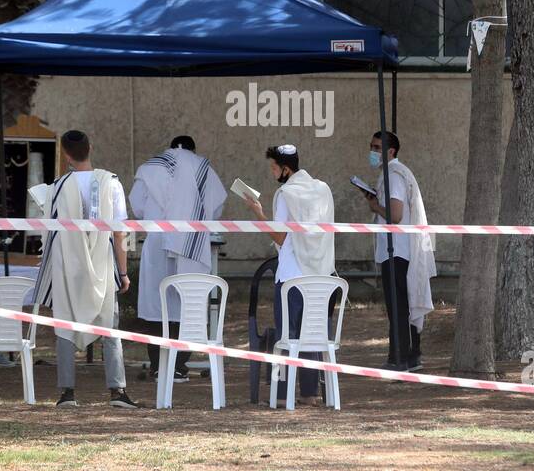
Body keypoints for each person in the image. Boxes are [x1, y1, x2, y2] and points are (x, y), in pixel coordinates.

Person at [29, 130, 139, 409]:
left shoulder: (57, 187)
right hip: (103, 263)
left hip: (68, 266)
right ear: (90, 147)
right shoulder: (111, 182)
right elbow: (121, 232)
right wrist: (123, 271)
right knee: (109, 327)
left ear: (65, 154)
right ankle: (117, 391)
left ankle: (67, 392)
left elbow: (49, 235)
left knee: (65, 325)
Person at [243, 144, 335, 407]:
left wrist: (258, 213)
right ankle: (309, 393)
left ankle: (282, 395)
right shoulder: (322, 189)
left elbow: (281, 238)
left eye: (274, 168)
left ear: (285, 168)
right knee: (311, 336)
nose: (272, 173)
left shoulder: (286, 194)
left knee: (286, 336)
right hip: (320, 275)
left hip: (292, 275)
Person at [129, 135, 226, 381]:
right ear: (193, 149)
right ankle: (180, 366)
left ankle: (158, 365)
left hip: (158, 242)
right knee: (187, 303)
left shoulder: (151, 167)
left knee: (156, 304)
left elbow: (137, 205)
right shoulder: (203, 167)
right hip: (192, 242)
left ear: (170, 147)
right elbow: (217, 204)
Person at [362, 131, 435, 371]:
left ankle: (400, 357)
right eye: (371, 147)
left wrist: (375, 206)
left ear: (390, 151)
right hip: (398, 248)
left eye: (376, 147)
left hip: (398, 249)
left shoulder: (394, 175)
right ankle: (410, 354)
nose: (372, 152)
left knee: (398, 305)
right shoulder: (393, 174)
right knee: (404, 302)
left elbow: (395, 214)